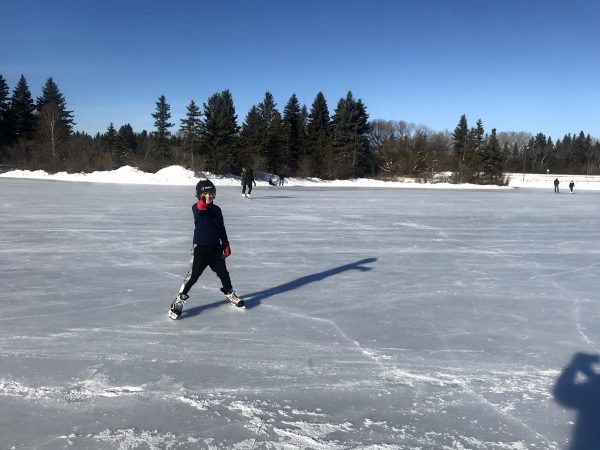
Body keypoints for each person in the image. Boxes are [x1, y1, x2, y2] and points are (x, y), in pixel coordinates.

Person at [169, 179, 243, 320]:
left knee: (224, 274)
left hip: (216, 249)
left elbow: (221, 227)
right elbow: (201, 209)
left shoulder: (217, 209)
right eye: (205, 194)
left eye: (211, 193)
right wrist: (201, 201)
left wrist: (225, 243)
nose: (209, 196)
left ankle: (230, 294)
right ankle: (178, 302)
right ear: (199, 195)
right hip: (200, 250)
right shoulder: (196, 208)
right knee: (193, 277)